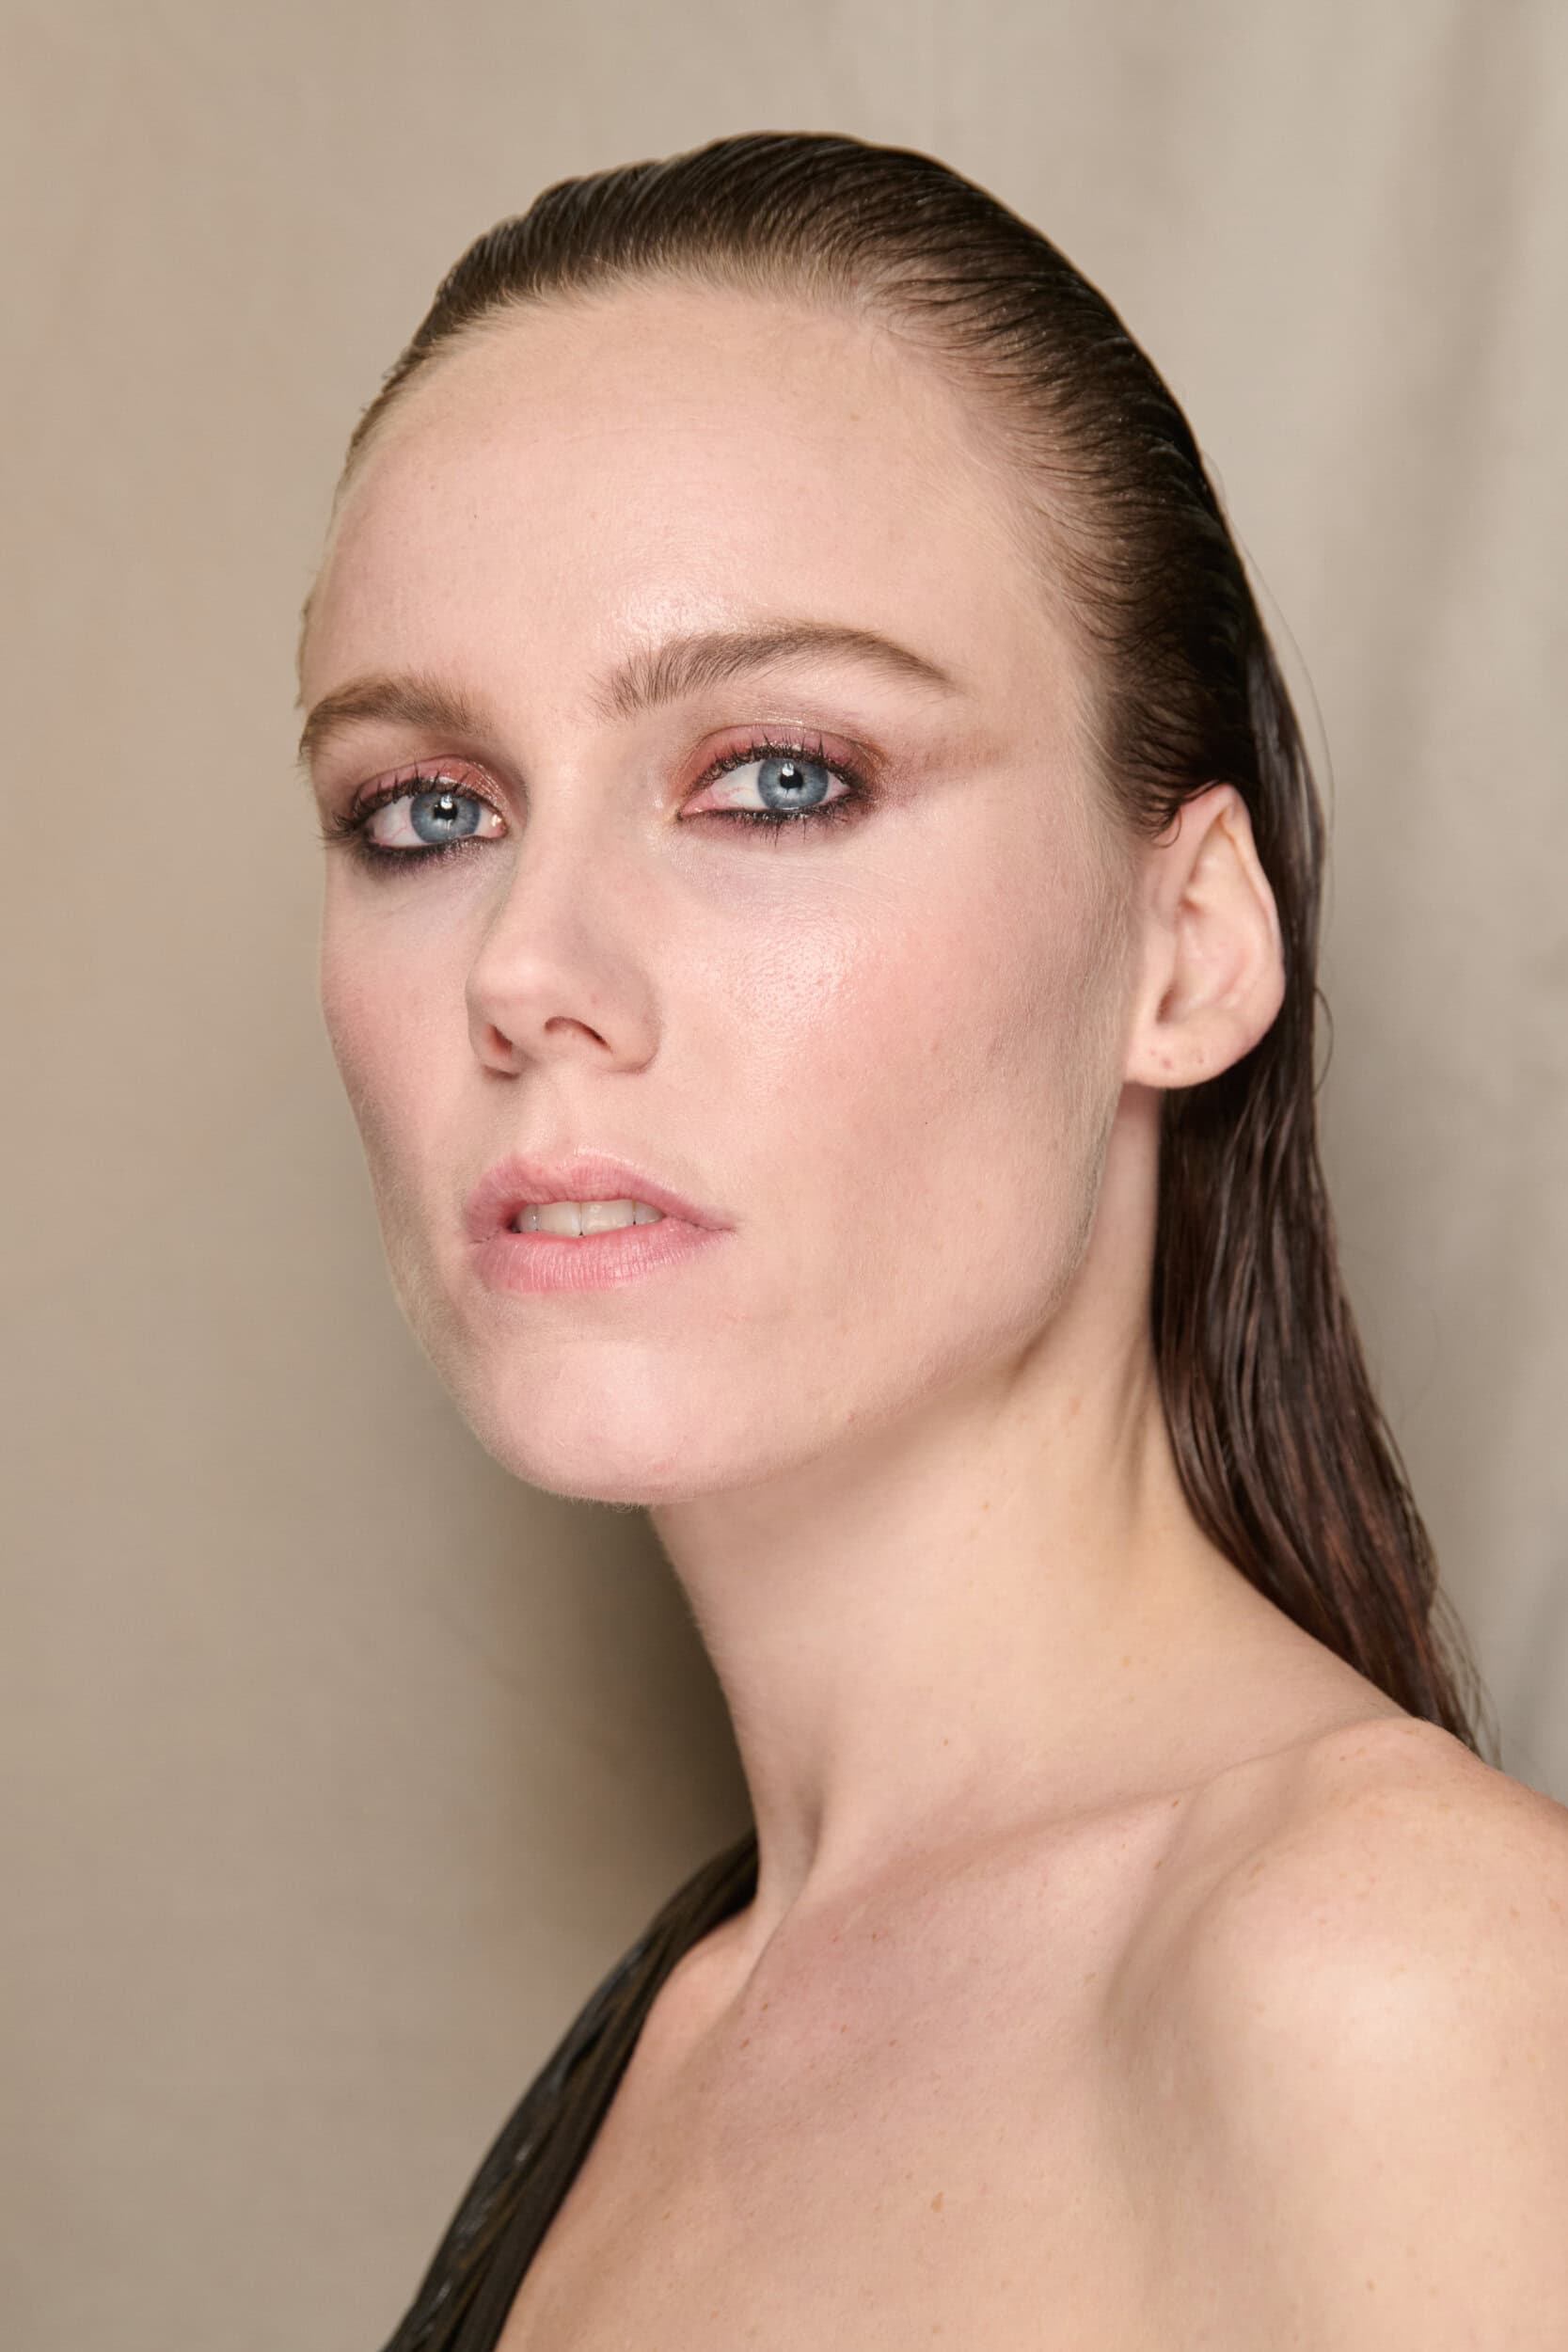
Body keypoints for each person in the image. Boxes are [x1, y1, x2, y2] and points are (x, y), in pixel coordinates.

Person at [293, 130, 1568, 2350]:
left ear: (1190, 942)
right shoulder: (689, 2026)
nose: (527, 966)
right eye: (429, 808)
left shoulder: (1391, 1991)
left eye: (779, 776)